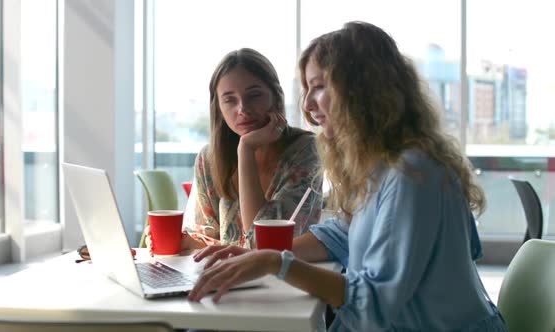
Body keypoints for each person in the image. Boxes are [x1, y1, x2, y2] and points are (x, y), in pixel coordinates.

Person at [186, 22, 507, 331]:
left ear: (363, 90)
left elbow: (374, 304)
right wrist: (256, 257)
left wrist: (276, 263)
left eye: (320, 87)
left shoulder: (412, 173)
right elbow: (340, 234)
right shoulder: (382, 165)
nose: (308, 105)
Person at [179, 48, 323, 250]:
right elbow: (203, 238)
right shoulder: (209, 159)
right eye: (229, 99)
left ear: (275, 96)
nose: (243, 109)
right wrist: (182, 241)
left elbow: (262, 244)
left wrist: (246, 150)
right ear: (218, 108)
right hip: (227, 278)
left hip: (286, 278)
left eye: (254, 95)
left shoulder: (306, 150)